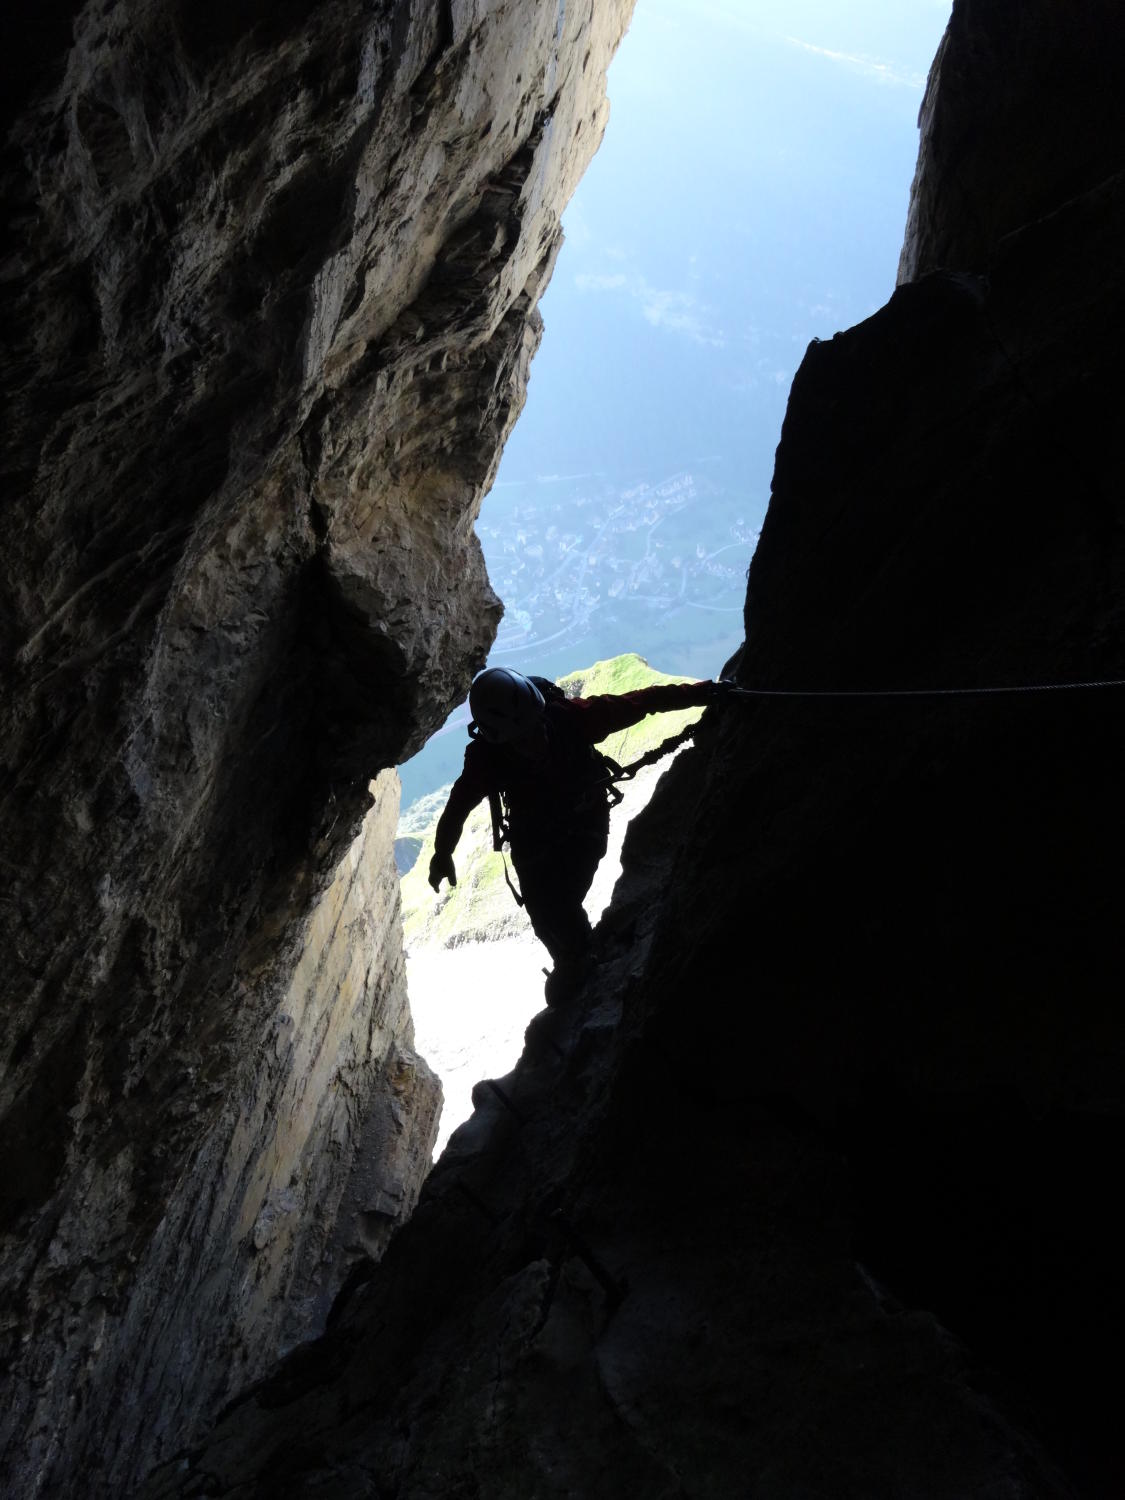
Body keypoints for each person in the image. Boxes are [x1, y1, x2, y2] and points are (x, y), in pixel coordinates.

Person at [427, 666, 729, 995]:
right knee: (541, 913)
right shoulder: (487, 760)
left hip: (584, 818)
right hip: (534, 831)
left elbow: (644, 701)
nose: (534, 741)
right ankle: (570, 957)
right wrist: (442, 853)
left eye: (535, 728)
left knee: (561, 901)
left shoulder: (572, 718)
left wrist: (705, 692)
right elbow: (457, 806)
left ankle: (581, 957)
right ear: (500, 740)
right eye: (522, 739)